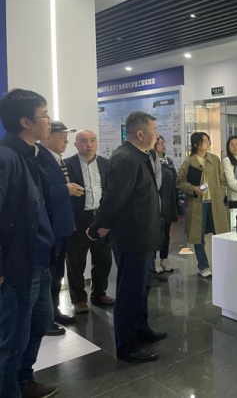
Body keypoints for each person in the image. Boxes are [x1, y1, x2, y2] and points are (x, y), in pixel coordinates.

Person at [88, 111, 166, 363]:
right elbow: (113, 199)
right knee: (130, 292)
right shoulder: (125, 158)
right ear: (141, 134)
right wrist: (97, 226)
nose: (157, 136)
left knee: (141, 289)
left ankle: (141, 329)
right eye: (154, 131)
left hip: (144, 235)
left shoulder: (140, 155)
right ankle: (128, 346)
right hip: (133, 238)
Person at [0, 89, 60, 398]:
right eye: (45, 115)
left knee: (40, 322)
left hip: (39, 259)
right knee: (12, 339)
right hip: (18, 266)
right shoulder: (6, 157)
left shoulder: (33, 154)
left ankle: (24, 380)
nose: (50, 121)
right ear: (25, 121)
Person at [38, 121, 84, 336]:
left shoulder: (57, 159)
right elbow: (40, 191)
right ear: (47, 136)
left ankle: (53, 311)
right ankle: (45, 319)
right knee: (49, 274)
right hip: (51, 228)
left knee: (57, 273)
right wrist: (65, 189)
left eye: (67, 135)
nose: (66, 140)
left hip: (63, 227)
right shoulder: (39, 159)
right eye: (61, 136)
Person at [64, 130, 115, 314]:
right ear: (76, 144)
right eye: (84, 141)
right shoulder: (67, 164)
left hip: (100, 216)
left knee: (103, 258)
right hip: (79, 217)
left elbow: (110, 190)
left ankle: (99, 293)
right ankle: (79, 299)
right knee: (76, 261)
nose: (89, 144)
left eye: (93, 140)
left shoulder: (106, 163)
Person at [176, 132, 228, 278]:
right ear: (196, 144)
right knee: (198, 236)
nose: (208, 143)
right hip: (197, 204)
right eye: (204, 141)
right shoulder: (189, 161)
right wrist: (194, 189)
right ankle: (203, 266)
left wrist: (219, 194)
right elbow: (180, 181)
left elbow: (222, 180)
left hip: (215, 203)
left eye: (208, 140)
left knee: (220, 233)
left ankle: (222, 264)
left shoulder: (214, 159)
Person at [153, 136, 178, 274]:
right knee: (155, 233)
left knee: (166, 233)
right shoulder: (150, 161)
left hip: (168, 203)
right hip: (156, 204)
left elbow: (175, 180)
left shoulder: (169, 161)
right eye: (159, 143)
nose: (162, 145)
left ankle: (164, 258)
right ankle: (154, 260)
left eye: (163, 143)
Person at [222, 135, 237, 209]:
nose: (235, 147)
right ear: (228, 149)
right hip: (234, 198)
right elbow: (231, 182)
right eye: (232, 145)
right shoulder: (226, 161)